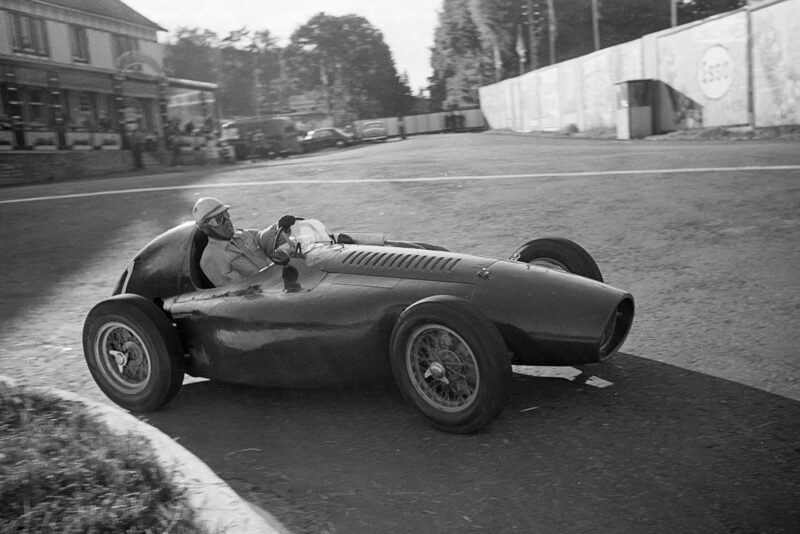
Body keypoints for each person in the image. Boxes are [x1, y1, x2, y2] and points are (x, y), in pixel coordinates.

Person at [192, 197, 296, 287]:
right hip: (263, 297)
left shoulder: (244, 234)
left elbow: (265, 240)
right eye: (218, 220)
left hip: (279, 281)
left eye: (226, 215)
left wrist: (281, 228)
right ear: (205, 228)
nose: (227, 222)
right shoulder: (212, 258)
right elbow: (238, 290)